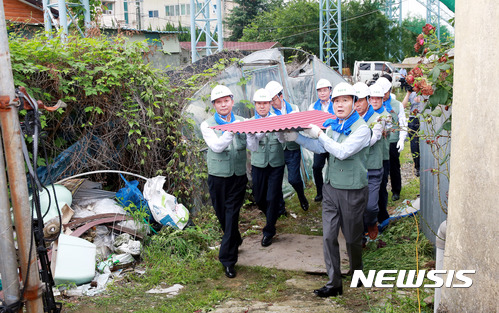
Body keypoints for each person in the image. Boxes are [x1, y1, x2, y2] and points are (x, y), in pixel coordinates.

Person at [285, 82, 370, 297]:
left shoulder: (362, 129)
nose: (340, 105)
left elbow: (342, 151)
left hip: (352, 189)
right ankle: (334, 283)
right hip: (331, 187)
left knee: (351, 238)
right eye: (336, 101)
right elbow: (321, 147)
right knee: (329, 235)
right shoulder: (333, 126)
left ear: (354, 103)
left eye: (345, 101)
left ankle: (357, 271)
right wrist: (299, 138)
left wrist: (319, 134)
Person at [200, 85, 248, 279]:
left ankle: (228, 260)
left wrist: (252, 134)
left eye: (226, 100)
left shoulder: (244, 121)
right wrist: (232, 130)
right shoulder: (207, 124)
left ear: (232, 101)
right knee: (222, 215)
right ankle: (235, 238)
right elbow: (217, 146)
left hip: (238, 176)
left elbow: (251, 144)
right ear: (214, 105)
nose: (223, 104)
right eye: (219, 102)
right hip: (218, 177)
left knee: (231, 215)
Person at [247, 89, 285, 248]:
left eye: (265, 103)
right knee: (259, 197)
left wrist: (278, 132)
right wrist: (261, 131)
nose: (262, 106)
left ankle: (269, 230)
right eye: (259, 103)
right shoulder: (250, 122)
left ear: (270, 104)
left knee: (272, 197)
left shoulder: (278, 119)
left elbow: (284, 141)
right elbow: (252, 146)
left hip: (276, 163)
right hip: (259, 163)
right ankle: (272, 213)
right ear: (255, 105)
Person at [265, 80, 309, 212]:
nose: (272, 103)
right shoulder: (269, 113)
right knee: (276, 181)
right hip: (277, 150)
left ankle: (302, 196)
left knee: (294, 179)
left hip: (292, 149)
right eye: (270, 101)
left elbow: (301, 127)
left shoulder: (294, 109)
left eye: (273, 100)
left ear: (281, 96)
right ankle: (280, 208)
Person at [353, 82, 384, 241]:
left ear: (367, 100)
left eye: (360, 100)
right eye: (354, 101)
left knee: (371, 206)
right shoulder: (349, 117)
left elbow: (373, 139)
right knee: (357, 206)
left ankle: (372, 222)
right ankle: (361, 235)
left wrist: (351, 143)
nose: (357, 105)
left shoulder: (378, 118)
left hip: (372, 168)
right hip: (356, 169)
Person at [376, 76, 407, 202]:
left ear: (389, 91)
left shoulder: (397, 105)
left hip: (392, 140)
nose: (383, 96)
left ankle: (396, 190)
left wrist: (401, 139)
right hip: (379, 140)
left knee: (394, 165)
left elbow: (403, 122)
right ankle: (379, 191)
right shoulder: (374, 104)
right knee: (380, 166)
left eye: (385, 93)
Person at [307, 78, 335, 202]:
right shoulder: (313, 107)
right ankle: (320, 191)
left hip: (334, 139)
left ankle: (334, 191)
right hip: (319, 140)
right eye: (320, 91)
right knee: (317, 167)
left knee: (334, 165)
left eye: (325, 90)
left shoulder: (336, 104)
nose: (322, 93)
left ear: (330, 90)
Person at [369, 83, 393, 226]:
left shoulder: (386, 116)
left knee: (381, 187)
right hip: (369, 159)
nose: (375, 101)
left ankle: (383, 217)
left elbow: (386, 128)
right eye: (372, 98)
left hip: (382, 158)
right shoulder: (367, 115)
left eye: (378, 99)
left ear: (382, 99)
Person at [402, 90, 424, 177]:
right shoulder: (412, 93)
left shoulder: (426, 89)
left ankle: (424, 164)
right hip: (413, 119)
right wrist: (408, 93)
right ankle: (417, 166)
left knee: (423, 143)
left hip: (423, 119)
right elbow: (403, 106)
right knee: (414, 144)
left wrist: (421, 99)